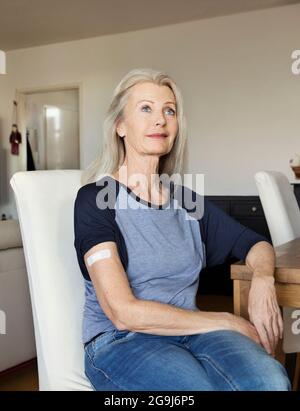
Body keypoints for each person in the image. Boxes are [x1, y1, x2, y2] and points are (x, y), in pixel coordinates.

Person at [74, 68, 291, 391]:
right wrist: (226, 320)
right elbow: (123, 313)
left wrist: (262, 279)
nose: (160, 119)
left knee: (271, 381)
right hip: (121, 342)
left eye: (169, 110)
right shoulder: (95, 200)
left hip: (192, 334)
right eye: (145, 108)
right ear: (120, 125)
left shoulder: (187, 202)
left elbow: (255, 243)